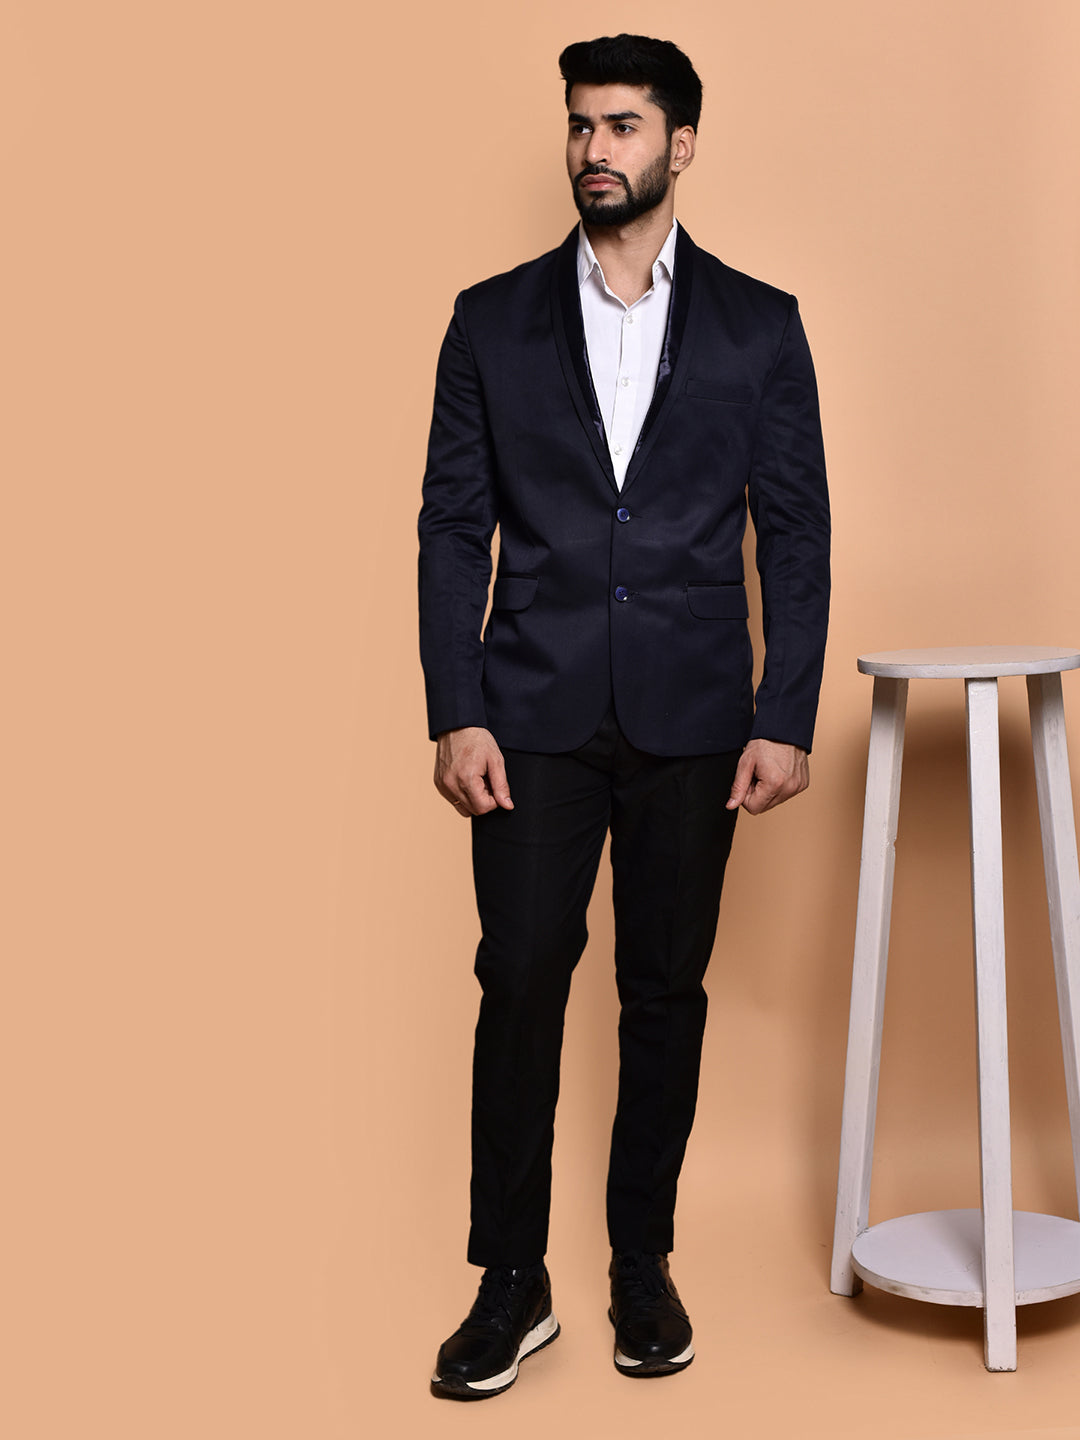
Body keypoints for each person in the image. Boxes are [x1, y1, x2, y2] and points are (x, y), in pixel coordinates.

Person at [418, 33, 830, 1400]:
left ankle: (639, 1267)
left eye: (625, 125)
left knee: (664, 994)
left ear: (680, 144)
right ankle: (510, 1282)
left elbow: (796, 533)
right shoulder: (489, 320)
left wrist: (783, 712)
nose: (597, 149)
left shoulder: (760, 326)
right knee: (521, 979)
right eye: (582, 125)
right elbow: (453, 526)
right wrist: (456, 708)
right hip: (527, 708)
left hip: (696, 714)